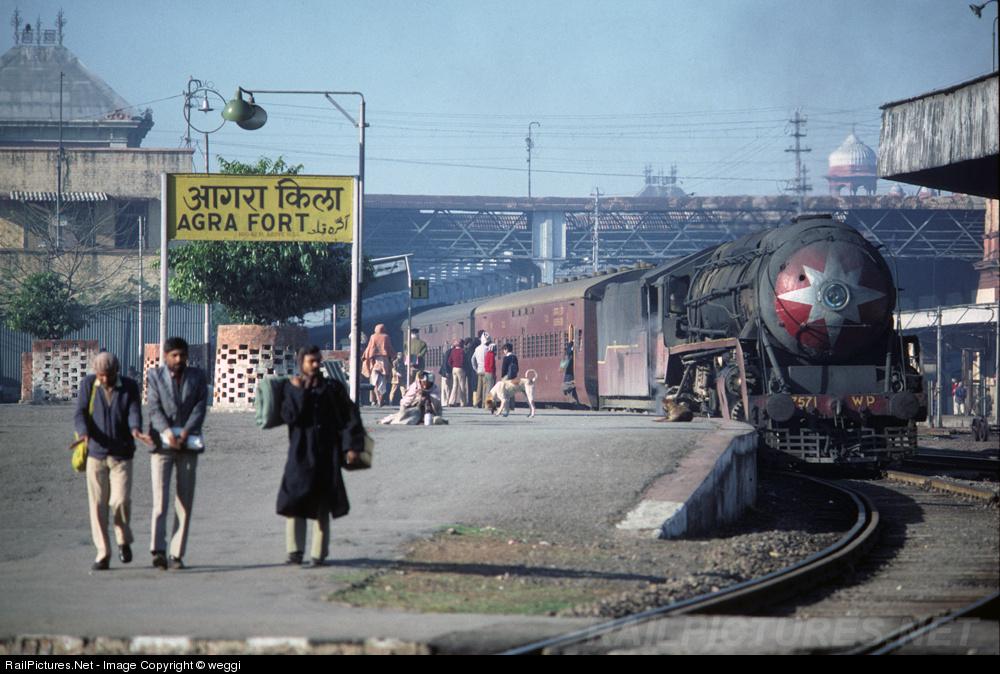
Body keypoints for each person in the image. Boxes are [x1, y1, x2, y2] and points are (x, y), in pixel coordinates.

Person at [278, 345, 364, 567]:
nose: (316, 365)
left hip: (327, 453)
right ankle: (295, 551)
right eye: (311, 361)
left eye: (318, 360)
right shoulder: (292, 388)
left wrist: (352, 446)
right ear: (302, 363)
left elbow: (350, 418)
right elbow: (289, 416)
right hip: (300, 452)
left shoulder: (333, 389)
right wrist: (299, 391)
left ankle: (318, 553)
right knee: (295, 499)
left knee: (323, 503)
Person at [73, 352, 150, 570]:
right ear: (96, 373)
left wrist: (136, 430)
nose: (105, 379)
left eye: (109, 375)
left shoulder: (129, 386)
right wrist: (83, 432)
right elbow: (79, 412)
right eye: (101, 375)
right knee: (98, 506)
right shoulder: (89, 384)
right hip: (95, 454)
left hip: (122, 455)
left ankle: (123, 540)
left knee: (120, 501)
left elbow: (134, 412)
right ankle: (103, 553)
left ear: (117, 370)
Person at [146, 337, 208, 571]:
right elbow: (153, 408)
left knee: (184, 501)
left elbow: (200, 407)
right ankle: (158, 550)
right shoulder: (155, 376)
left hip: (187, 445)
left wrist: (184, 432)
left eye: (182, 355)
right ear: (165, 356)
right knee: (160, 501)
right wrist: (166, 432)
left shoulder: (197, 376)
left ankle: (176, 554)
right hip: (162, 446)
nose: (179, 359)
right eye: (174, 355)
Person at [379, 371, 445, 425]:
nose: (425, 386)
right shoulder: (415, 386)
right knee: (412, 417)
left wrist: (428, 397)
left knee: (437, 420)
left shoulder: (434, 388)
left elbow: (437, 401)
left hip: (429, 413)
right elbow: (405, 402)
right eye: (424, 383)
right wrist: (419, 398)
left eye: (428, 384)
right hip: (411, 412)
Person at [362, 324, 396, 407]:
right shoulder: (386, 337)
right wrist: (393, 357)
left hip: (374, 362)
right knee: (383, 383)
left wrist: (364, 356)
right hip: (385, 362)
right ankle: (381, 399)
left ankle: (378, 399)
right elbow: (390, 350)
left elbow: (369, 348)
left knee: (375, 383)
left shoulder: (373, 337)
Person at [471, 332, 491, 408]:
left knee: (479, 387)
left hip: (479, 370)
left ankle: (477, 402)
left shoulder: (477, 348)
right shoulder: (487, 349)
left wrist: (475, 368)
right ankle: (483, 403)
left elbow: (473, 359)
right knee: (485, 387)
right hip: (486, 370)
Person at [560, 341, 581, 406]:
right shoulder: (571, 343)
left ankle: (573, 401)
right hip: (570, 366)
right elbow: (567, 350)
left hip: (574, 367)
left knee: (573, 385)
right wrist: (572, 349)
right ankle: (564, 387)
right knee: (570, 383)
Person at [447, 340, 468, 407]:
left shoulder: (452, 351)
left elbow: (449, 361)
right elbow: (462, 361)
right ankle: (463, 402)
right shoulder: (462, 351)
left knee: (454, 385)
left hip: (454, 369)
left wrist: (452, 366)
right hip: (460, 368)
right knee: (462, 385)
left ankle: (451, 401)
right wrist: (464, 368)